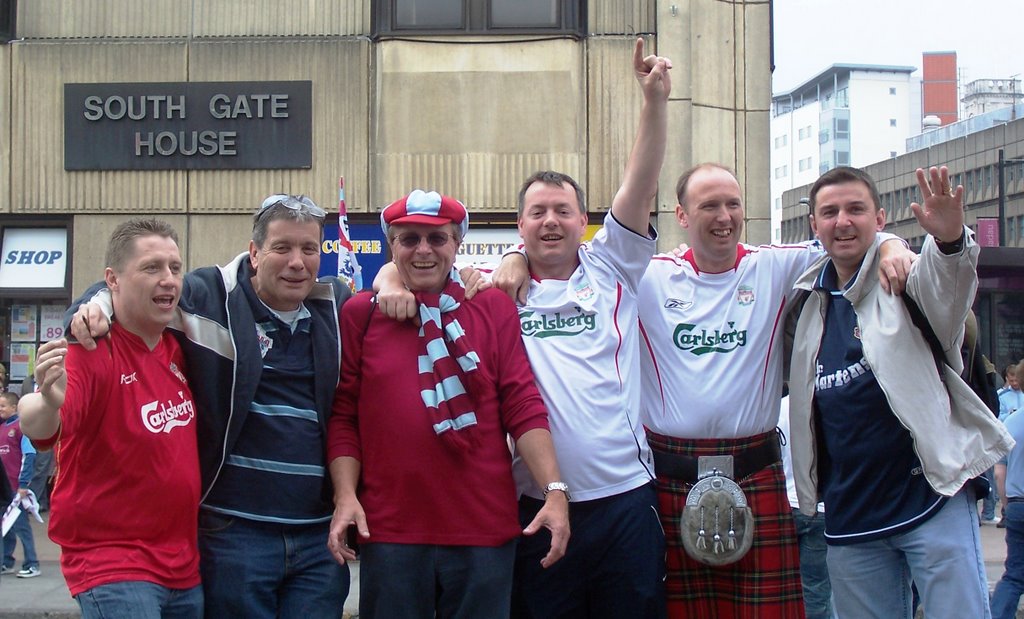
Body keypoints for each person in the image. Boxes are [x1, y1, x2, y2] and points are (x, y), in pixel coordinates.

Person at [634, 161, 911, 617]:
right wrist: (515, 257)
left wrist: (892, 244)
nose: (724, 216)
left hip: (756, 471)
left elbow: (845, 237)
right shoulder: (648, 275)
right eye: (709, 205)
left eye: (732, 204)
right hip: (669, 475)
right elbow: (577, 266)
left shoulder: (775, 265)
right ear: (681, 216)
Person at [69, 197, 351, 617]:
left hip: (317, 538)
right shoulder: (209, 295)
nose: (297, 262)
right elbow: (125, 286)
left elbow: (394, 284)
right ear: (254, 253)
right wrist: (94, 306)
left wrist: (392, 278)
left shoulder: (336, 306)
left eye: (309, 249)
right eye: (282, 248)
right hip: (235, 534)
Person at [327, 189, 570, 619]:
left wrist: (554, 489)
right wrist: (345, 495)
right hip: (390, 531)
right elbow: (345, 415)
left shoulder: (492, 306)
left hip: (483, 530)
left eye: (437, 239)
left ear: (457, 245)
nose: (423, 250)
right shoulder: (361, 314)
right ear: (392, 247)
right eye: (409, 239)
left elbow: (522, 402)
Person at [787, 166, 1014, 619]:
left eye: (856, 209)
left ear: (881, 217)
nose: (842, 221)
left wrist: (949, 240)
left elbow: (948, 290)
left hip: (931, 499)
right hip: (850, 515)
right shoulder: (804, 301)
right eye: (829, 212)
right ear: (814, 225)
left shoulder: (904, 278)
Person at [19, 218, 201, 616]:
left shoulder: (181, 347)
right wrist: (47, 401)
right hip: (113, 565)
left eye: (174, 267)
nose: (168, 279)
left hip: (184, 569)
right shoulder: (89, 348)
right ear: (112, 280)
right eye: (152, 268)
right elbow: (38, 422)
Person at [778, 396, 832, 619]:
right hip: (820, 507)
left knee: (781, 588)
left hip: (786, 503)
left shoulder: (778, 409)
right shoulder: (826, 403)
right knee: (816, 591)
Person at [1, 391, 40, 579]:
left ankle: (32, 563)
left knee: (21, 527)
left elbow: (29, 455)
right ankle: (6, 560)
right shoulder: (1, 428)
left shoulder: (20, 428)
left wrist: (23, 484)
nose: (0, 409)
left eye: (3, 406)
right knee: (4, 525)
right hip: (4, 488)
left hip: (16, 489)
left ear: (14, 408)